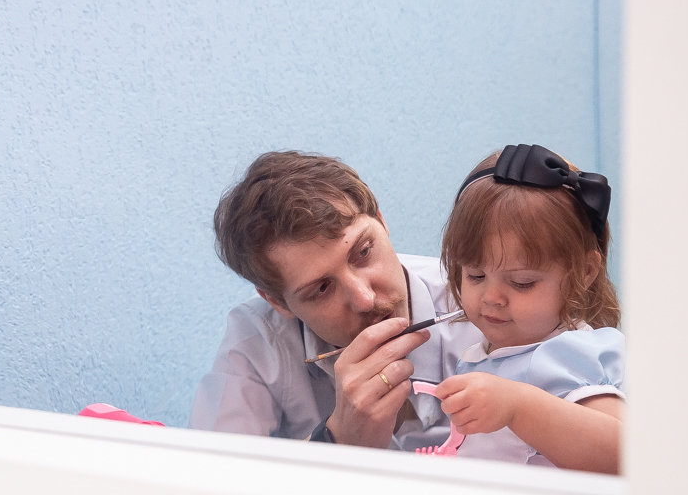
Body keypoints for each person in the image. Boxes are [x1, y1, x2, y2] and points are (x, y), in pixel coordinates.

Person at [188, 151, 482, 450]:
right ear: (278, 302)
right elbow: (207, 481)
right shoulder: (259, 338)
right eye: (321, 289)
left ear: (381, 221)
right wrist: (338, 438)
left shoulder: (479, 301)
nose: (365, 299)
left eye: (363, 252)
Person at [433, 144, 625, 473]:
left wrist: (518, 407)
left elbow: (623, 453)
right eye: (475, 275)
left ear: (585, 273)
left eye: (522, 282)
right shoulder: (490, 355)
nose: (492, 297)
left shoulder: (569, 354)